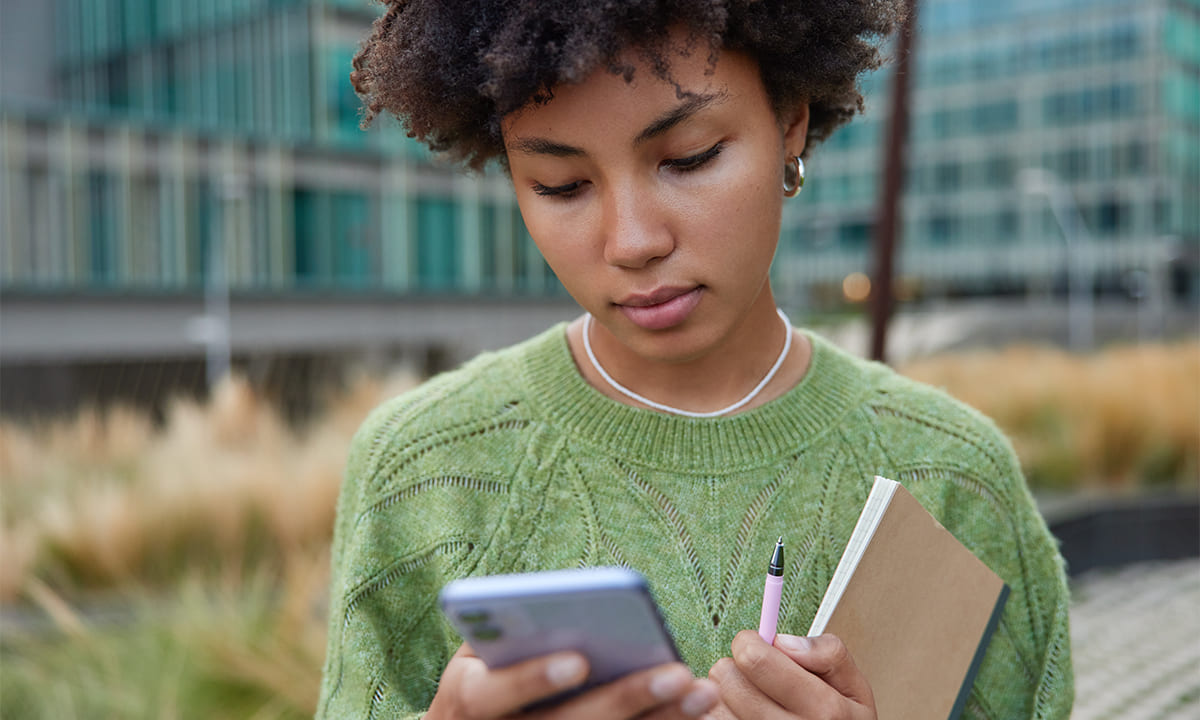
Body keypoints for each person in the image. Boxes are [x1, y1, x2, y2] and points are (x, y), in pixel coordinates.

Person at [317, 2, 1074, 718]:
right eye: (563, 185)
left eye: (689, 157)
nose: (633, 240)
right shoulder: (421, 472)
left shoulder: (954, 480)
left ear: (791, 123)